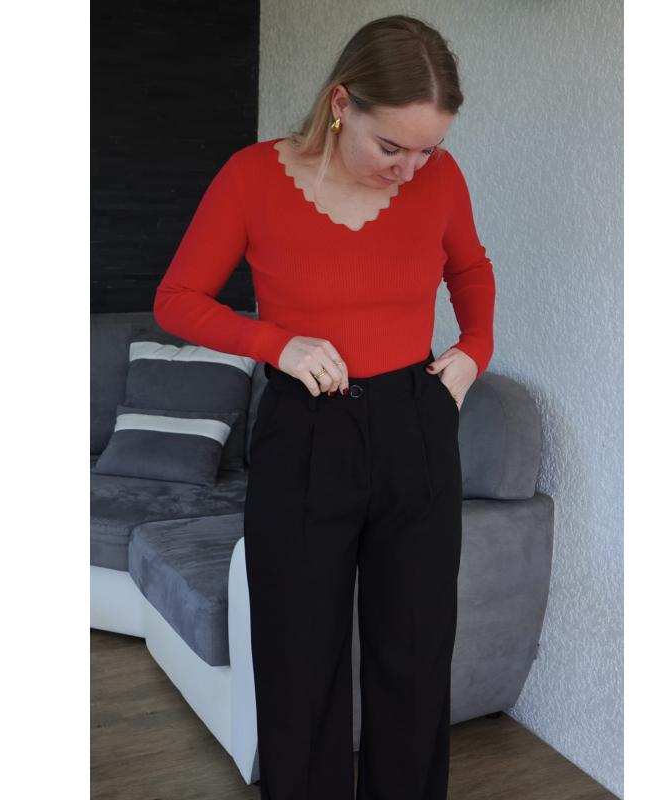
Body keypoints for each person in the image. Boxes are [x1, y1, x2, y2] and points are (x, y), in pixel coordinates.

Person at [153, 14, 496, 800]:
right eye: (392, 147)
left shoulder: (440, 180)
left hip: (416, 427)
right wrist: (276, 343)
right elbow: (177, 299)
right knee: (297, 662)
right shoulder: (251, 177)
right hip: (305, 432)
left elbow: (470, 269)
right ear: (342, 104)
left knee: (415, 664)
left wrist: (474, 350)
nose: (410, 170)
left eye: (428, 150)